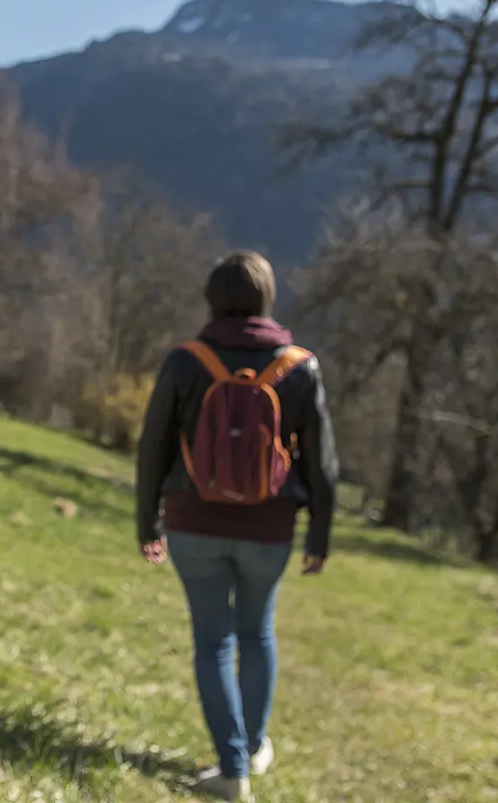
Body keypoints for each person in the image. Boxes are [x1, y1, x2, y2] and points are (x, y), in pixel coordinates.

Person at [134, 251, 338, 802]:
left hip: (193, 523)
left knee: (213, 641)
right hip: (269, 530)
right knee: (257, 632)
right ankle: (251, 748)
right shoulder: (300, 367)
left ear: (212, 298)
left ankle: (232, 770)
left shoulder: (186, 361)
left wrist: (147, 522)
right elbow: (322, 465)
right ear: (267, 298)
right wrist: (319, 537)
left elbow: (153, 447)